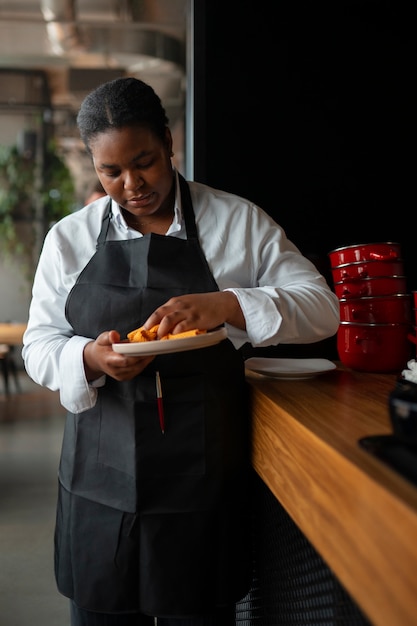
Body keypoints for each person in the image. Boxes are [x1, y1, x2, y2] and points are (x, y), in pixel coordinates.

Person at [22, 77, 340, 626]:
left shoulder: (236, 222)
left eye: (143, 161)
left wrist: (228, 304)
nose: (132, 184)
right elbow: (38, 344)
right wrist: (91, 360)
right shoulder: (68, 239)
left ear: (169, 142)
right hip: (99, 487)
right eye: (111, 171)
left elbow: (322, 309)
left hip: (200, 485)